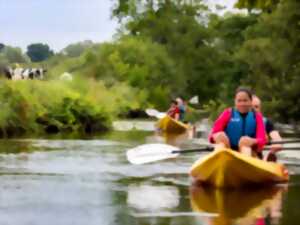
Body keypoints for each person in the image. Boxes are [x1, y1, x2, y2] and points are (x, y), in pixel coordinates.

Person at [209, 87, 266, 156]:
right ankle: (219, 161)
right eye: (239, 101)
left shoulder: (257, 117)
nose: (242, 104)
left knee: (244, 145)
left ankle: (244, 162)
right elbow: (211, 136)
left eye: (245, 100)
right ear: (235, 101)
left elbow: (262, 140)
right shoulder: (227, 113)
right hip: (229, 151)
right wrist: (217, 136)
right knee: (220, 141)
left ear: (251, 101)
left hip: (249, 152)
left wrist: (252, 141)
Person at [252, 95, 282, 161]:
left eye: (256, 107)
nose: (253, 110)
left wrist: (277, 143)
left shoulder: (266, 122)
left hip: (258, 156)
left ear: (260, 109)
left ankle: (266, 159)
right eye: (251, 107)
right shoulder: (236, 121)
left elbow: (276, 137)